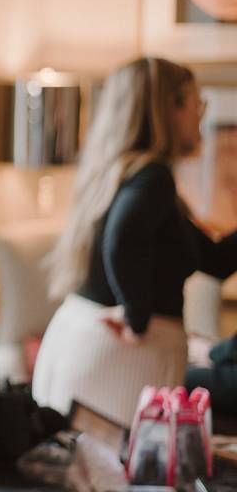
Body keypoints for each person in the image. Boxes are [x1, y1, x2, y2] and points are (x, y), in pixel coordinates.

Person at [32, 57, 237, 426]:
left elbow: (218, 261)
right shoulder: (153, 178)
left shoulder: (121, 176)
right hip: (120, 355)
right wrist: (137, 318)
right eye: (196, 103)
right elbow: (122, 240)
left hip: (80, 337)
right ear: (168, 110)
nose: (200, 116)